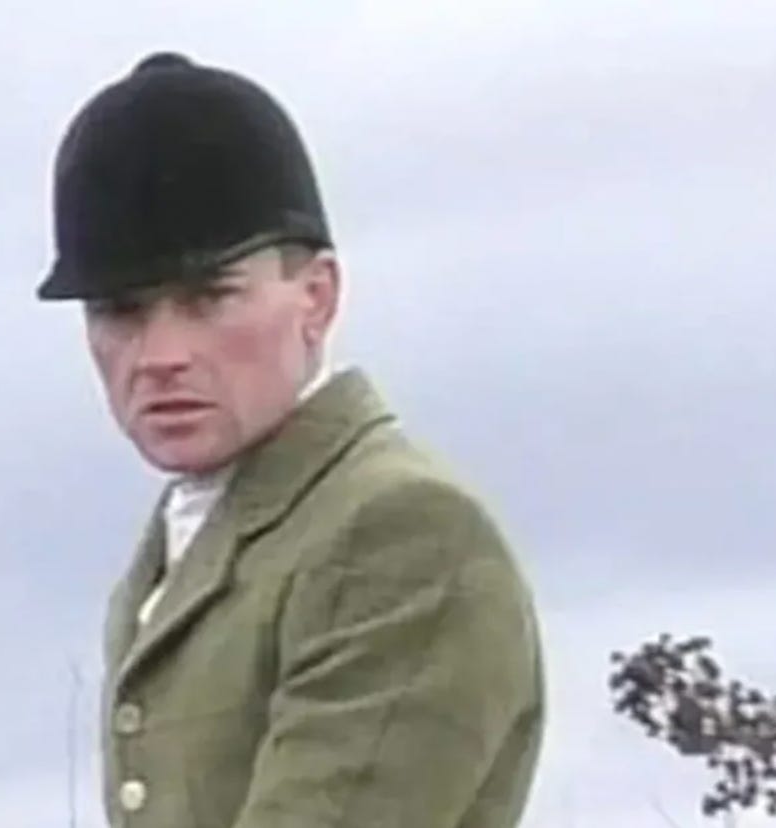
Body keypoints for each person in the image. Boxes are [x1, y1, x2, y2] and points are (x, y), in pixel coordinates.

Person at [35, 52, 546, 827]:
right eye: (119, 311)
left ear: (317, 297)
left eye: (211, 297)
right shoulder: (192, 537)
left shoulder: (401, 532)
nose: (161, 354)